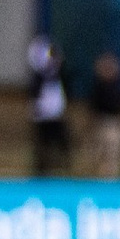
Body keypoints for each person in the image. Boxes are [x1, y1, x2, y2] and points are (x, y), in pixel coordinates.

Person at [26, 37, 70, 175]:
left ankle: (61, 171)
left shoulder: (57, 74)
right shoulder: (39, 77)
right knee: (43, 147)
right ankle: (42, 173)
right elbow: (34, 95)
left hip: (56, 116)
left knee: (62, 145)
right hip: (43, 118)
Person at [86, 53, 120, 179]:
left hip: (114, 124)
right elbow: (93, 107)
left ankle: (112, 180)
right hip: (101, 123)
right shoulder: (98, 87)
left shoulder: (119, 86)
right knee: (99, 155)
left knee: (113, 154)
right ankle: (100, 180)